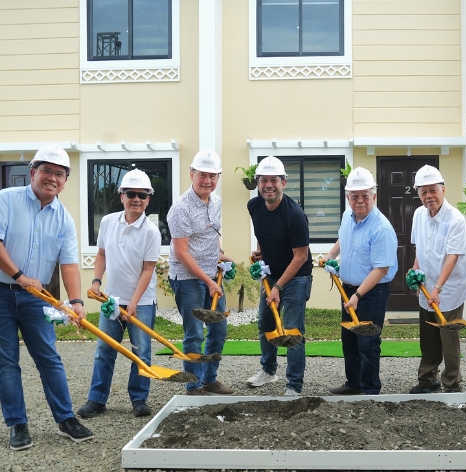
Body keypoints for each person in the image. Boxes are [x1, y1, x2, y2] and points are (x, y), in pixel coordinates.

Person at [0, 144, 94, 450]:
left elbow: (69, 264)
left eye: (59, 174)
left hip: (35, 299)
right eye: (46, 171)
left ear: (65, 181)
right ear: (33, 173)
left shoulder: (63, 219)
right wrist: (20, 277)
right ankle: (17, 424)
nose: (52, 178)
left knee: (49, 357)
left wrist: (76, 302)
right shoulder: (6, 199)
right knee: (6, 362)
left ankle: (66, 419)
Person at [77, 169, 162, 419]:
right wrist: (96, 281)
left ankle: (139, 399)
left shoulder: (151, 231)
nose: (136, 199)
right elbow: (102, 255)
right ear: (121, 196)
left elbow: (148, 270)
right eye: (131, 193)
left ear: (148, 199)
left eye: (142, 195)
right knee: (104, 350)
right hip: (111, 301)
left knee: (141, 352)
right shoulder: (107, 222)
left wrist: (133, 303)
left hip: (142, 302)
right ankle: (96, 399)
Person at [323, 167, 397, 396]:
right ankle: (354, 383)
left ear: (374, 196)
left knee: (368, 341)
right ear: (348, 198)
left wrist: (357, 296)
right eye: (354, 196)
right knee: (349, 339)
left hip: (372, 293)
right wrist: (331, 255)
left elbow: (381, 269)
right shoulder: (348, 216)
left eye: (365, 195)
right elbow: (343, 238)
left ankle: (371, 389)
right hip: (348, 289)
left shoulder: (381, 228)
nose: (360, 200)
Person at [167, 150, 235, 396]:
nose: (207, 180)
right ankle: (193, 385)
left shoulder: (216, 201)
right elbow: (182, 253)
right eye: (202, 175)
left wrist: (220, 255)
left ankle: (209, 379)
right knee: (195, 333)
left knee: (219, 330)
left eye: (212, 176)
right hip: (188, 279)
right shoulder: (180, 208)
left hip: (211, 274)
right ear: (191, 174)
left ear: (218, 177)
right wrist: (208, 281)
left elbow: (211, 233)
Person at [246, 156, 313, 396]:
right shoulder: (254, 206)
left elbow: (301, 256)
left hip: (297, 277)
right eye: (263, 180)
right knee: (266, 324)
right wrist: (261, 251)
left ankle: (294, 384)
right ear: (258, 183)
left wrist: (278, 287)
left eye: (274, 180)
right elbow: (262, 232)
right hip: (272, 274)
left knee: (292, 330)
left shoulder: (295, 215)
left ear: (284, 182)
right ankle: (269, 370)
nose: (269, 185)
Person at [408, 165, 466, 394]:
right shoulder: (418, 214)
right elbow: (419, 247)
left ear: (443, 190)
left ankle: (452, 383)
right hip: (426, 287)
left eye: (433, 190)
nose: (428, 196)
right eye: (423, 192)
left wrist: (438, 288)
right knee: (428, 337)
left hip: (449, 288)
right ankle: (427, 380)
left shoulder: (455, 219)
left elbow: (452, 256)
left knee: (448, 338)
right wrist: (415, 270)